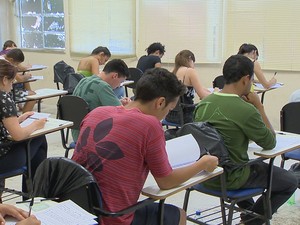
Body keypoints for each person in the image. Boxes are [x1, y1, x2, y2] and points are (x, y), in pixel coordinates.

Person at [72, 67, 219, 225]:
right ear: (160, 102)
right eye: (169, 110)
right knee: (179, 214)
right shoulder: (149, 125)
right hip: (112, 217)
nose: (166, 116)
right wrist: (202, 163)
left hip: (77, 209)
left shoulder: (97, 112)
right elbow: (166, 182)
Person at [194, 54, 298, 225]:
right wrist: (259, 106)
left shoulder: (203, 104)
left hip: (206, 174)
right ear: (245, 79)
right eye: (252, 80)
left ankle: (247, 214)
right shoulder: (245, 109)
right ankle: (251, 221)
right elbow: (270, 142)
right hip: (232, 177)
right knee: (290, 181)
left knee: (249, 164)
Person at [0, 59, 48, 203]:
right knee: (39, 140)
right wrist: (36, 125)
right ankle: (33, 196)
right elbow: (18, 135)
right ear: (4, 80)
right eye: (11, 81)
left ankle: (32, 194)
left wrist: (18, 120)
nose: (12, 85)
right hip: (2, 158)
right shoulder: (3, 98)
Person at [72, 59, 131, 141]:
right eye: (121, 82)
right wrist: (129, 105)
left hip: (77, 133)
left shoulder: (84, 80)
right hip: (91, 136)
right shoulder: (103, 86)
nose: (119, 86)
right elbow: (120, 111)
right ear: (115, 76)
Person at [165, 49, 211, 124]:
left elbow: (195, 88)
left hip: (170, 115)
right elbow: (203, 96)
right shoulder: (190, 71)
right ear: (190, 59)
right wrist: (216, 93)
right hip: (186, 116)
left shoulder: (172, 72)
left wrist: (206, 90)